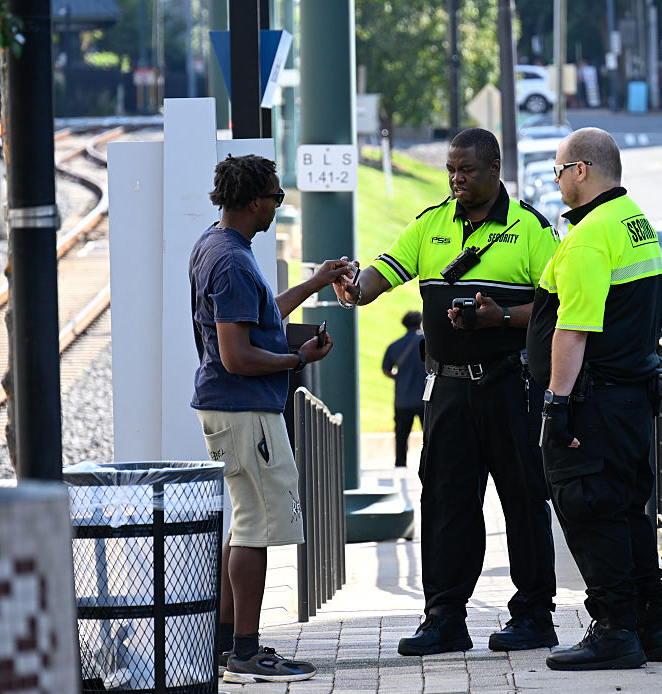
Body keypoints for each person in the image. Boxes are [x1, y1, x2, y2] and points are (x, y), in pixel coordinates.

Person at [333, 128, 560, 656]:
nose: (456, 179)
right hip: (449, 393)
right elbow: (382, 275)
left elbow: (559, 308)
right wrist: (354, 290)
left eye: (467, 170)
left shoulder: (531, 229)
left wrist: (498, 316)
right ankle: (444, 619)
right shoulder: (430, 224)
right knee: (445, 504)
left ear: (495, 168)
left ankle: (533, 616)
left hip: (512, 384)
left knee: (524, 501)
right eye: (451, 170)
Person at [190, 154, 353, 684]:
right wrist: (297, 360)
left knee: (243, 524)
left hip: (227, 409)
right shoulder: (233, 261)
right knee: (257, 525)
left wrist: (315, 282)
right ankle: (247, 652)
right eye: (277, 199)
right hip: (244, 410)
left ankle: (224, 644)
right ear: (257, 200)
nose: (277, 208)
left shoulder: (215, 245)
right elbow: (237, 355)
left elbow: (259, 318)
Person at [525, 127, 662, 671]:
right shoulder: (635, 222)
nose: (558, 178)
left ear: (582, 170)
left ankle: (614, 630)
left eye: (560, 169)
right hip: (630, 397)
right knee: (627, 512)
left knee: (589, 508)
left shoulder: (590, 235)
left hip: (592, 403)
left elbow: (574, 327)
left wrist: (556, 403)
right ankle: (651, 628)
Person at [382, 311, 426, 468]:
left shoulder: (394, 346)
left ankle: (400, 464)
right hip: (424, 398)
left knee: (401, 434)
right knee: (429, 434)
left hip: (403, 399)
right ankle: (429, 463)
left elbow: (386, 370)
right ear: (420, 322)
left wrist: (399, 378)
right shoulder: (427, 343)